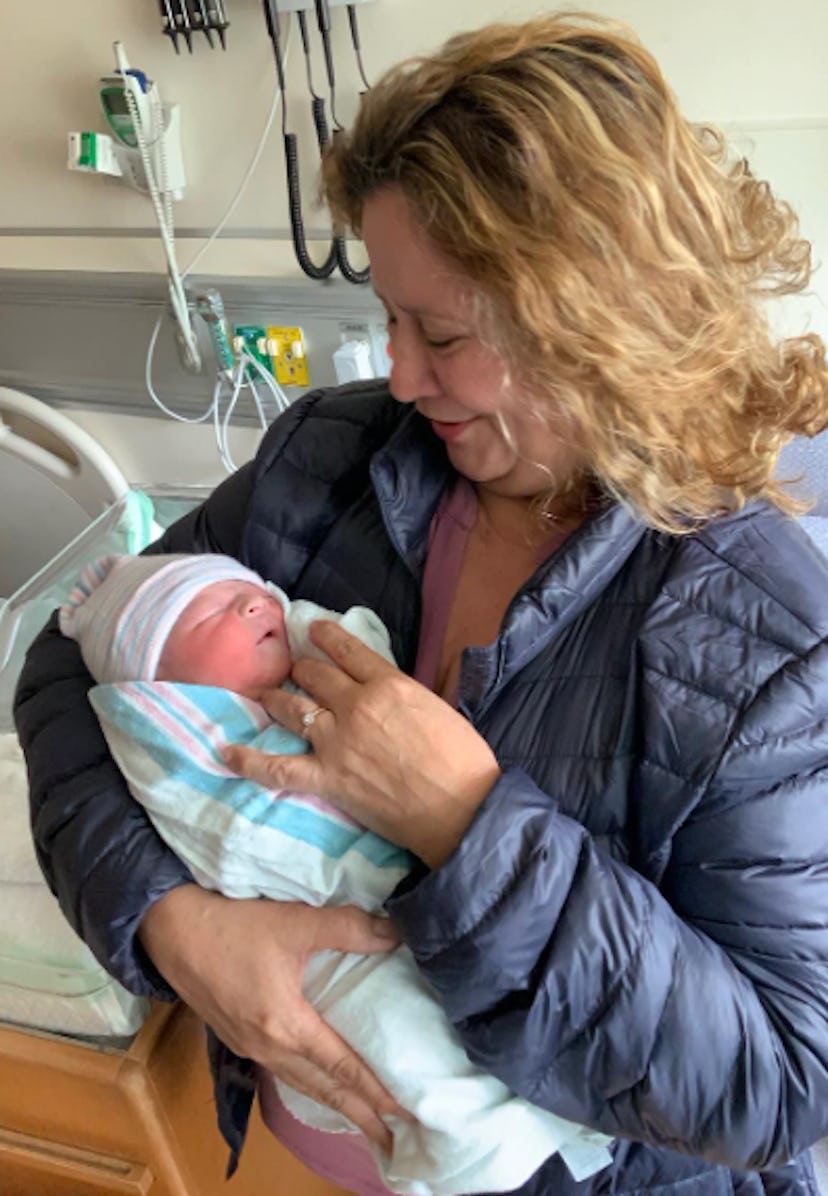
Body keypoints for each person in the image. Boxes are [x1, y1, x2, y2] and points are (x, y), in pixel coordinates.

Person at [15, 12, 828, 1195]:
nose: (394, 373)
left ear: (592, 321)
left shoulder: (765, 638)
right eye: (389, 316)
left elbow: (779, 1079)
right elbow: (61, 668)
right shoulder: (331, 462)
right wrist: (178, 928)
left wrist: (467, 821)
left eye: (439, 332)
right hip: (305, 1150)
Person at [58, 551, 611, 1194]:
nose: (257, 602)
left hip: (482, 966)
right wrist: (169, 916)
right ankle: (479, 1152)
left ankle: (545, 1130)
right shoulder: (194, 753)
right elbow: (229, 832)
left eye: (252, 591)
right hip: (332, 966)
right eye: (210, 607)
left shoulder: (299, 679)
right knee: (408, 1054)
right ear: (161, 687)